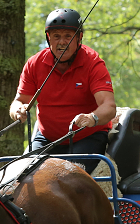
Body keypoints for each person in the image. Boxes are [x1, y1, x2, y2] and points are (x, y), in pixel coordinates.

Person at [9, 8, 116, 173]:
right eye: (56, 36)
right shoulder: (34, 63)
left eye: (68, 36)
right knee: (22, 175)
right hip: (47, 138)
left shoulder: (93, 62)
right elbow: (19, 101)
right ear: (48, 38)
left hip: (86, 137)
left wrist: (92, 118)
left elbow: (108, 107)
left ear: (79, 38)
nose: (62, 42)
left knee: (70, 176)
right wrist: (18, 110)